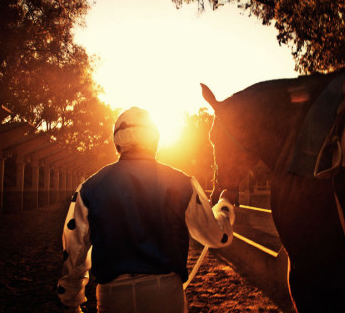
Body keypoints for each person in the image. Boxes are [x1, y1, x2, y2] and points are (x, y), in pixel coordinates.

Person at [57, 107, 235, 313]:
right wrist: (224, 206)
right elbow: (216, 236)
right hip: (164, 293)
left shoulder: (89, 188)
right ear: (155, 141)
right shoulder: (181, 183)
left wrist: (70, 300)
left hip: (112, 296)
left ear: (117, 144)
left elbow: (74, 250)